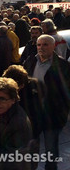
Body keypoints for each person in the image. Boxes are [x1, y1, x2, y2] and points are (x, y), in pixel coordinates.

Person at [23, 34, 70, 170]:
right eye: (39, 44)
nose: (41, 47)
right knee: (32, 147)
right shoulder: (30, 61)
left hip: (53, 115)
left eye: (45, 44)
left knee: (51, 149)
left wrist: (62, 113)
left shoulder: (63, 65)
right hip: (33, 114)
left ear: (53, 46)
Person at [0, 77, 33, 170]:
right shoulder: (2, 112)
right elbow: (0, 130)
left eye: (2, 99)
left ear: (13, 99)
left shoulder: (18, 122)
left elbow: (9, 158)